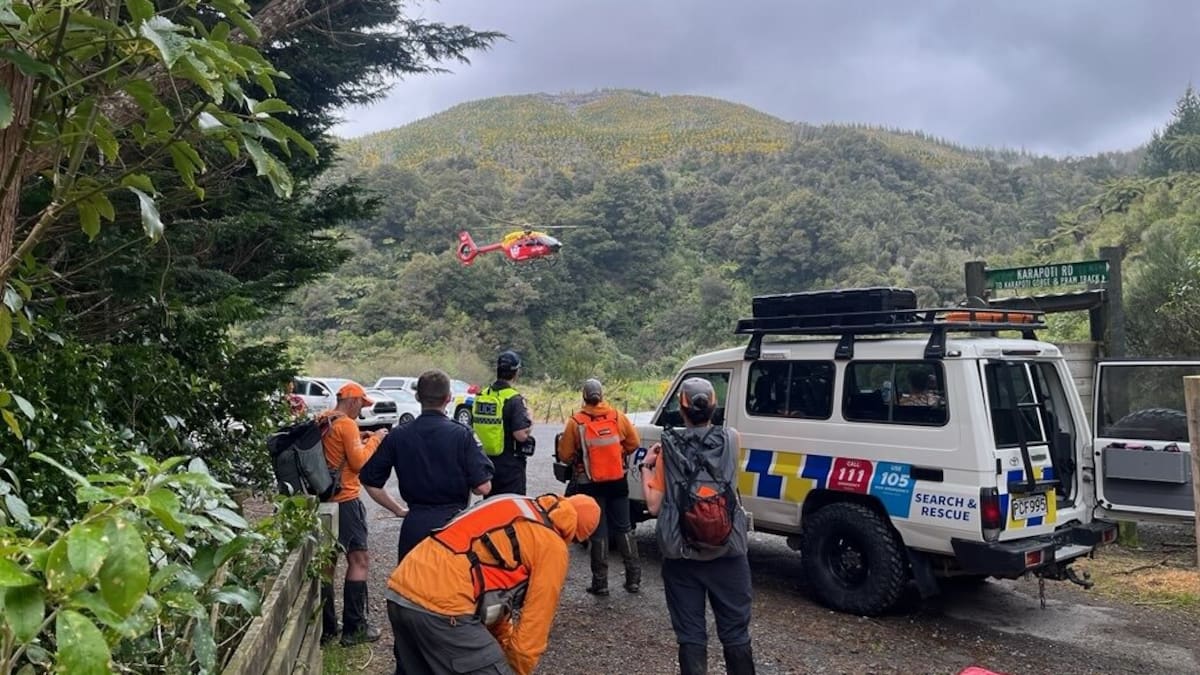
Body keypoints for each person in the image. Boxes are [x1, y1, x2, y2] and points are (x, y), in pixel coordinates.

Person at [385, 493, 601, 675]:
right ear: (576, 534)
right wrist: (515, 668)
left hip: (401, 589)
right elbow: (533, 628)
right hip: (443, 607)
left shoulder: (516, 505)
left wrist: (503, 641)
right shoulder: (552, 546)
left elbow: (495, 589)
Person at [640, 378, 755, 675]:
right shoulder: (732, 439)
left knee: (691, 635)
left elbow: (653, 505)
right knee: (736, 635)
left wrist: (646, 467)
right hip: (729, 552)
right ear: (713, 405)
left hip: (682, 555)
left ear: (682, 408)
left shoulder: (667, 449)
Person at [361, 369, 495, 563]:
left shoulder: (398, 435)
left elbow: (370, 481)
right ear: (448, 398)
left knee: (410, 588)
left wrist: (398, 510)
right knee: (451, 588)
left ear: (417, 397)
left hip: (414, 526)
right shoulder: (463, 434)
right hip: (453, 526)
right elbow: (483, 487)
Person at [555, 378, 642, 595]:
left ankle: (600, 583)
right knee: (624, 528)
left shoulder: (576, 422)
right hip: (617, 481)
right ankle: (633, 579)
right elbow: (634, 443)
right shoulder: (617, 416)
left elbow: (565, 455)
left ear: (584, 397)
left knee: (598, 532)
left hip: (589, 484)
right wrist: (618, 454)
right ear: (602, 396)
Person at [320, 382, 388, 646]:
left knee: (326, 564)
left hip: (322, 501)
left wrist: (363, 437)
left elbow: (335, 452)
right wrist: (377, 440)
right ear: (352, 401)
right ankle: (355, 628)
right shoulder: (346, 424)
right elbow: (358, 462)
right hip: (345, 500)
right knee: (359, 560)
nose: (363, 408)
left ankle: (327, 628)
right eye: (362, 403)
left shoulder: (324, 419)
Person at [472, 350, 533, 495]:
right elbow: (521, 435)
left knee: (490, 507)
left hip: (486, 461)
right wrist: (530, 419)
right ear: (516, 373)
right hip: (509, 466)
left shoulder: (484, 394)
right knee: (511, 509)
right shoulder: (514, 399)